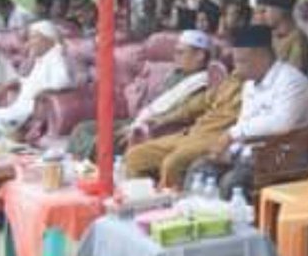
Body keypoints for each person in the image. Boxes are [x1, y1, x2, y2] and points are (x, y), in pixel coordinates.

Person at [68, 29, 215, 161]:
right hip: (139, 119)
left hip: (155, 128)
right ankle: (92, 158)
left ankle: (95, 159)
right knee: (82, 129)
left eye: (181, 52)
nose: (175, 56)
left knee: (102, 141)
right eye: (175, 52)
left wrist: (142, 125)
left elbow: (181, 115)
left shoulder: (200, 84)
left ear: (200, 55)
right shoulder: (176, 74)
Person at [212, 24, 308, 196]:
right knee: (203, 169)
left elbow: (282, 123)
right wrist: (228, 151)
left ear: (262, 57)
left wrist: (232, 134)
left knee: (231, 184)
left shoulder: (292, 81)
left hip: (287, 157)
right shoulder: (249, 84)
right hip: (255, 155)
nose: (236, 69)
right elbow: (245, 122)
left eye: (242, 61)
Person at [122, 46, 247, 189]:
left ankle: (170, 201)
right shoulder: (230, 82)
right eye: (237, 60)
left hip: (216, 138)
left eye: (243, 60)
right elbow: (197, 104)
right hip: (192, 133)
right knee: (136, 156)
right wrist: (164, 118)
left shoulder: (257, 89)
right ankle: (142, 197)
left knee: (173, 163)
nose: (238, 64)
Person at [0, 21, 76, 139]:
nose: (30, 43)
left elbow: (63, 82)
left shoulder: (56, 57)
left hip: (37, 106)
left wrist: (44, 92)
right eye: (30, 38)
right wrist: (8, 84)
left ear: (48, 39)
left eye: (34, 38)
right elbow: (29, 80)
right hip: (23, 104)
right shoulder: (43, 57)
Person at [257, 0, 308, 75]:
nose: (264, 15)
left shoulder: (298, 39)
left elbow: (293, 74)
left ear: (280, 12)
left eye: (266, 11)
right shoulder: (270, 36)